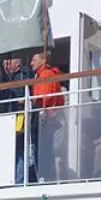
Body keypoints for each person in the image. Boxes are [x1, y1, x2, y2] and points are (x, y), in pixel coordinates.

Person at [27, 51, 67, 181]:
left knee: (43, 150)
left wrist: (44, 110)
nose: (31, 63)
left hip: (45, 117)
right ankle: (44, 176)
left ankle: (44, 177)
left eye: (34, 60)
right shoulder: (44, 74)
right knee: (43, 149)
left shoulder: (46, 75)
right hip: (47, 116)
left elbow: (44, 98)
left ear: (43, 60)